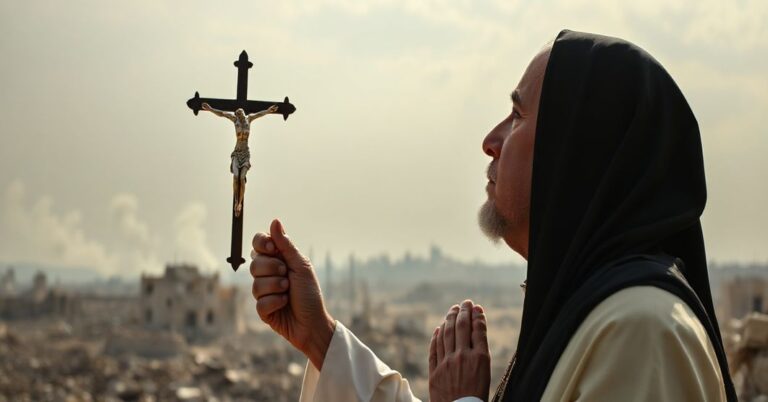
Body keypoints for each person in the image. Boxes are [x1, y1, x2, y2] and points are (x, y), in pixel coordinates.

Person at [248, 30, 737, 401]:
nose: (491, 140)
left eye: (519, 116)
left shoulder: (642, 331)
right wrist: (321, 338)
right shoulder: (599, 310)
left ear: (574, 152)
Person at [201, 103, 278, 217]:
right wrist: (210, 109)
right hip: (236, 153)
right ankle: (236, 202)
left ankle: (239, 203)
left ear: (244, 113)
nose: (239, 114)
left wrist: (268, 110)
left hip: (245, 154)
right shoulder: (235, 120)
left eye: (240, 112)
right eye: (237, 113)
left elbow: (260, 114)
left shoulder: (249, 118)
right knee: (236, 176)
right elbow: (222, 114)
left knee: (242, 178)